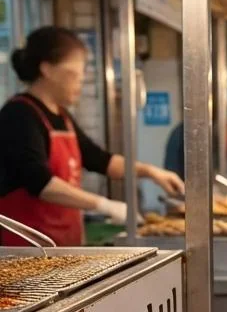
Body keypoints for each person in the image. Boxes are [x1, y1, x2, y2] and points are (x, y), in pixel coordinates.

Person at [0, 26, 183, 246]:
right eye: (75, 73)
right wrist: (103, 205)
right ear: (47, 69)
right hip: (26, 249)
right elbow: (40, 183)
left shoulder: (61, 115)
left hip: (63, 245)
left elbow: (98, 159)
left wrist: (150, 172)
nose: (81, 81)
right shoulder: (19, 115)